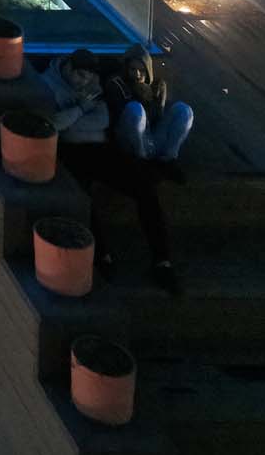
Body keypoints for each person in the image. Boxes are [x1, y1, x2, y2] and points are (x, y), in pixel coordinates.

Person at [42, 51, 179, 294]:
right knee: (83, 195)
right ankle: (101, 256)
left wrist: (72, 116)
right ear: (68, 69)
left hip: (100, 148)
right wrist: (82, 109)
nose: (84, 82)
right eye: (80, 75)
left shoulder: (94, 84)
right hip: (70, 151)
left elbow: (102, 120)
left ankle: (162, 260)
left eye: (88, 77)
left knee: (145, 188)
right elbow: (52, 124)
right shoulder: (48, 84)